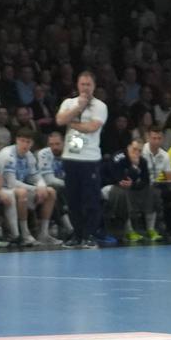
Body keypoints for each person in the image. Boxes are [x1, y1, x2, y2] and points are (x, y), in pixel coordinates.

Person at [56, 71, 108, 248]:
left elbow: (92, 127)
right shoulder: (69, 103)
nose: (85, 87)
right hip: (70, 157)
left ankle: (89, 234)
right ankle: (77, 234)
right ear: (77, 85)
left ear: (94, 86)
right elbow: (60, 120)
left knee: (90, 198)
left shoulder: (100, 106)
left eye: (89, 84)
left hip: (90, 158)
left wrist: (73, 123)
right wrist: (78, 108)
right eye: (82, 84)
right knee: (73, 199)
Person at [0, 128, 61, 246]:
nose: (25, 144)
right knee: (22, 192)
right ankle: (25, 234)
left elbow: (36, 176)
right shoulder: (8, 155)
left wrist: (41, 186)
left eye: (28, 142)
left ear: (32, 143)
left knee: (50, 191)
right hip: (2, 189)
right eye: (22, 141)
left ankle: (43, 233)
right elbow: (11, 183)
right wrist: (35, 189)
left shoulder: (29, 156)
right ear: (16, 141)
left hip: (19, 188)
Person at [103, 138, 154, 242]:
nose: (137, 153)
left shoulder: (142, 161)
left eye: (139, 151)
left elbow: (145, 181)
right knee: (123, 193)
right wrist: (132, 170)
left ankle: (151, 229)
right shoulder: (119, 157)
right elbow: (117, 177)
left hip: (129, 187)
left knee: (151, 191)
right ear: (128, 147)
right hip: (109, 186)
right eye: (134, 149)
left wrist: (134, 172)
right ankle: (129, 231)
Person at [142, 124, 171, 239]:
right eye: (154, 138)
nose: (156, 141)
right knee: (153, 191)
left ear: (162, 139)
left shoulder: (165, 155)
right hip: (142, 185)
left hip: (157, 184)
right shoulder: (141, 151)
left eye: (159, 138)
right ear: (148, 138)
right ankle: (152, 229)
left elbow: (170, 179)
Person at [36, 130, 74, 239]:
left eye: (57, 144)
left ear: (64, 143)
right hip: (45, 186)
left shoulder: (71, 154)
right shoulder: (44, 154)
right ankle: (69, 228)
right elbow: (49, 179)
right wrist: (70, 185)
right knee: (55, 188)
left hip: (66, 187)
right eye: (51, 144)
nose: (54, 147)